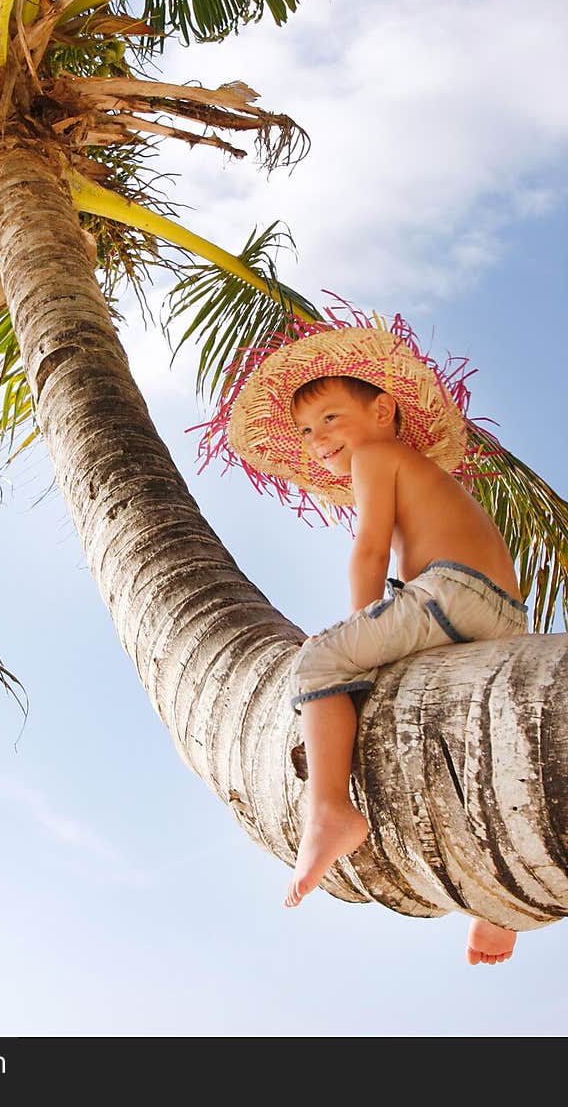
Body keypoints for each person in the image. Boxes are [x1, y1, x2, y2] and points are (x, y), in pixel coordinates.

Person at [222, 320, 529, 966]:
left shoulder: (375, 456)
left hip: (450, 593)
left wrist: (357, 624)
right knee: (451, 740)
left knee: (320, 660)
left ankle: (330, 808)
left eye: (331, 416)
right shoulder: (414, 468)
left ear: (383, 411)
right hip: (497, 613)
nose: (319, 439)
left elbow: (367, 548)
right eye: (306, 432)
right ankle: (494, 908)